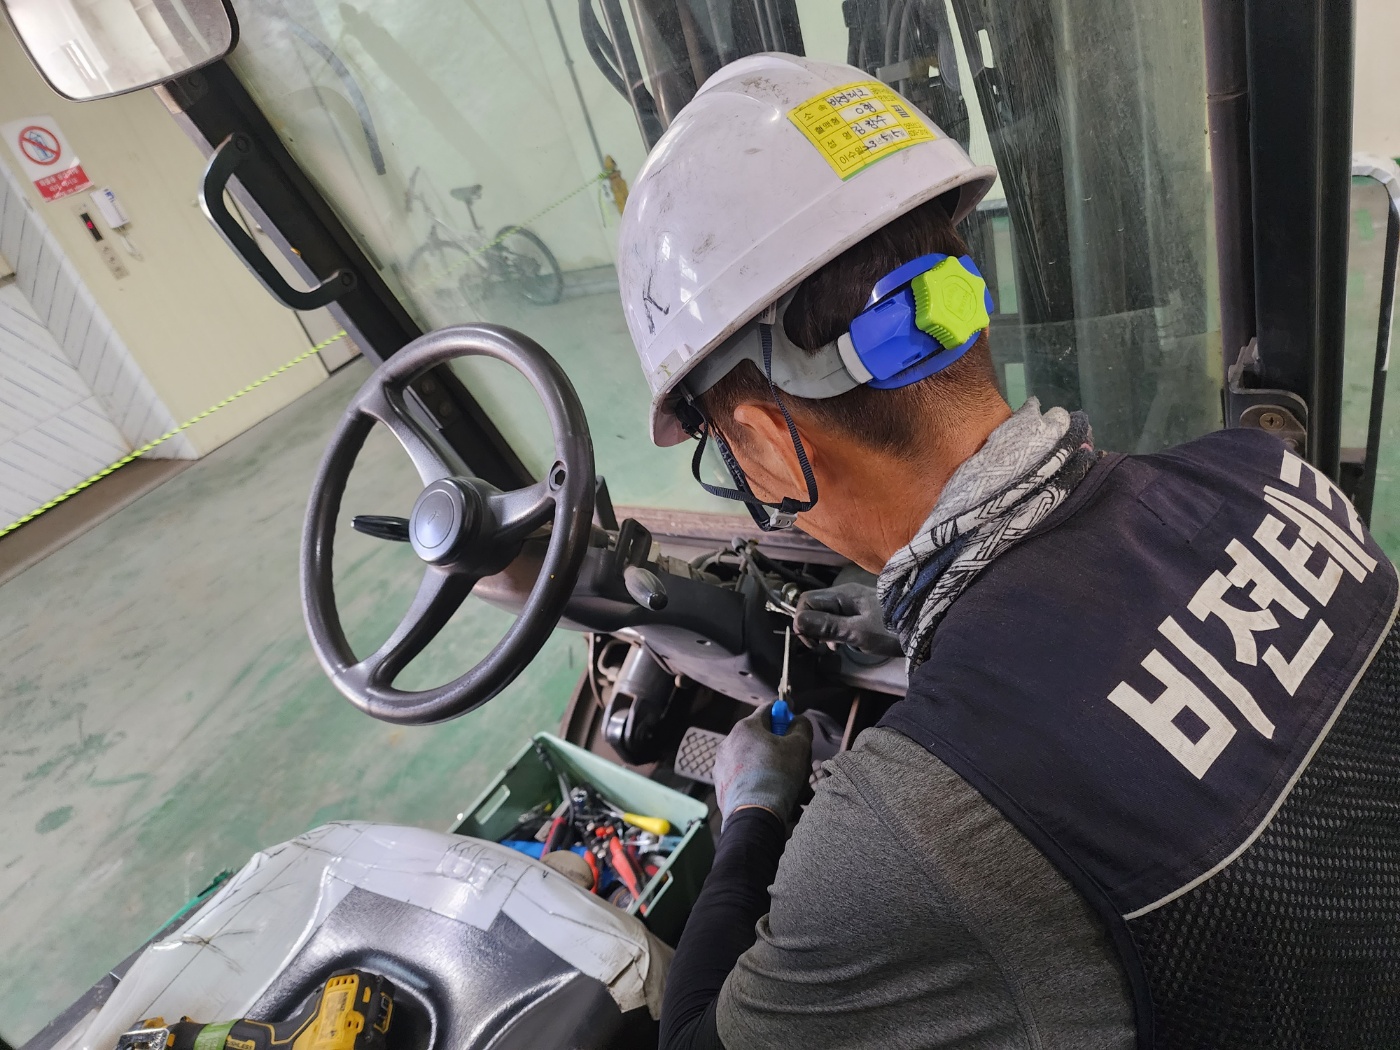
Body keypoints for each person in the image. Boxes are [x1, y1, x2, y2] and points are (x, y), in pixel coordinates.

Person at [617, 53, 1400, 1050]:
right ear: (955, 301)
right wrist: (920, 615)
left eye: (721, 447)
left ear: (766, 440)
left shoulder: (913, 829)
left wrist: (753, 815)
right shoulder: (1264, 477)